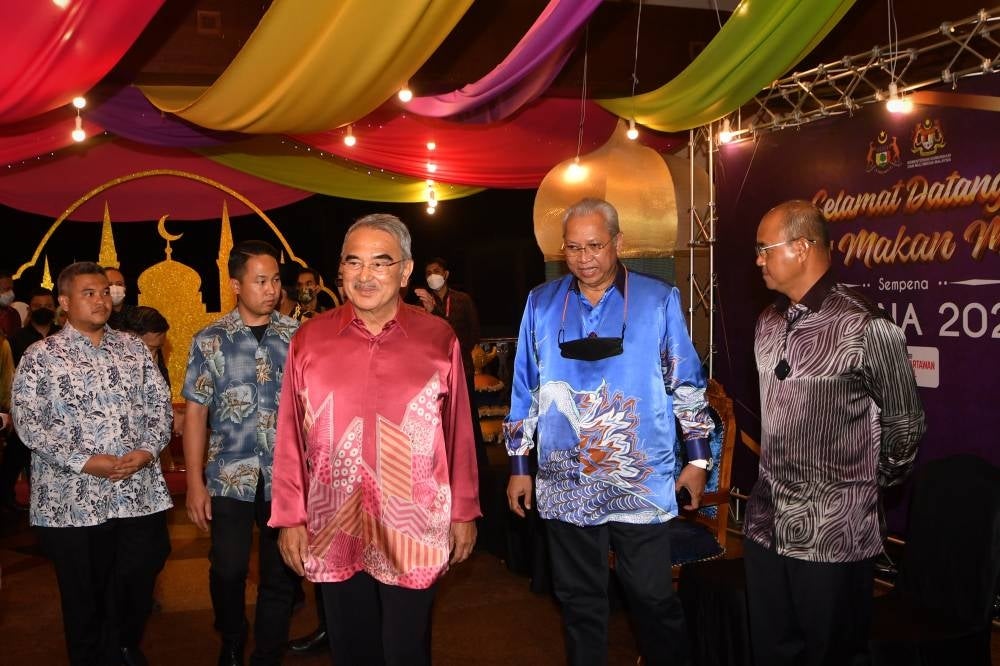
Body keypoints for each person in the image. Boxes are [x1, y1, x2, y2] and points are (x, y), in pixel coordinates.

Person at [504, 197, 714, 666]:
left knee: (654, 599)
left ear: (618, 243)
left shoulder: (658, 299)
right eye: (574, 248)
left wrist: (698, 459)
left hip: (639, 478)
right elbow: (526, 389)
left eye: (595, 246)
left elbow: (686, 383)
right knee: (579, 603)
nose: (585, 258)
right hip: (564, 479)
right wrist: (520, 464)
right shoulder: (540, 303)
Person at [270, 213, 481, 666]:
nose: (365, 276)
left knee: (407, 649)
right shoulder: (309, 339)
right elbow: (289, 433)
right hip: (332, 523)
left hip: (414, 523)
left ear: (405, 271)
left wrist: (463, 511)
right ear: (340, 270)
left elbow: (458, 432)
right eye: (354, 262)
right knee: (350, 649)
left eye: (380, 263)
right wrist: (290, 517)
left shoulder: (437, 338)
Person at [744, 200, 926, 666]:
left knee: (832, 655)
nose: (758, 259)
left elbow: (905, 426)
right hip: (766, 527)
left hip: (834, 535)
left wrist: (861, 490)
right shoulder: (767, 323)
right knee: (771, 650)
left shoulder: (866, 326)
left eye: (766, 249)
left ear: (802, 248)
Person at [11, 262, 173, 666]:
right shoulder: (41, 356)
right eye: (89, 293)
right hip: (72, 501)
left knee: (141, 570)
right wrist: (83, 461)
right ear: (64, 302)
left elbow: (160, 407)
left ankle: (123, 644)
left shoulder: (133, 348)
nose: (101, 300)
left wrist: (149, 450)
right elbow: (29, 423)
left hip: (137, 494)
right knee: (84, 592)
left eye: (105, 292)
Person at [182, 240, 300, 666]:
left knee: (281, 572)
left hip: (286, 477)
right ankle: (231, 636)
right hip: (229, 474)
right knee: (227, 569)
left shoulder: (298, 337)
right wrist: (194, 482)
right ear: (236, 284)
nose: (271, 289)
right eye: (260, 280)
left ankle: (268, 653)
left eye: (276, 280)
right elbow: (195, 414)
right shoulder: (209, 340)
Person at [1, 287, 60, 511]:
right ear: (30, 309)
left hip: (57, 410)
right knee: (16, 456)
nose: (43, 309)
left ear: (54, 307)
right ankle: (6, 498)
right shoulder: (16, 339)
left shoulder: (64, 336)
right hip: (25, 408)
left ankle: (49, 502)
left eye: (47, 305)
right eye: (37, 306)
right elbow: (10, 376)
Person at [0, 271, 21, 339]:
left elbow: (17, 340)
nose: (11, 293)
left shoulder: (14, 313)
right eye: (7, 289)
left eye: (11, 289)